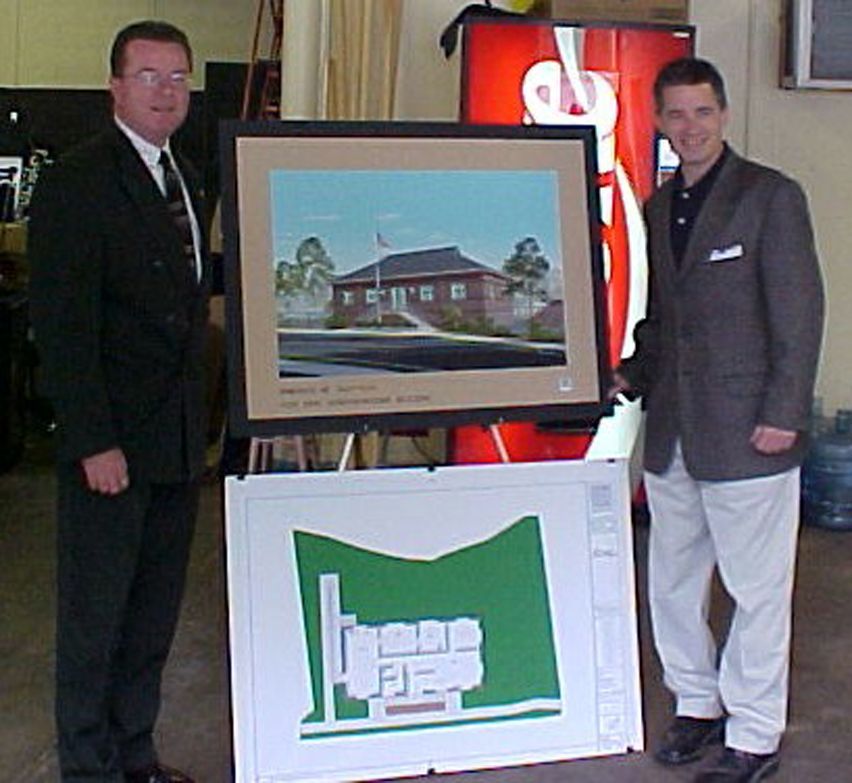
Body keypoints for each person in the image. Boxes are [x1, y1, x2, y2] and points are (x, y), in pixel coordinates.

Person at [613, 58, 824, 782]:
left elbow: (800, 312)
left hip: (750, 430)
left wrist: (785, 411)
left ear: (724, 114)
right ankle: (697, 704)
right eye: (675, 114)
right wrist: (632, 373)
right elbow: (661, 319)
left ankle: (755, 734)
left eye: (702, 111)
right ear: (658, 122)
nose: (690, 127)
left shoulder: (770, 197)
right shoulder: (656, 207)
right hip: (673, 428)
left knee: (756, 589)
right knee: (672, 581)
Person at [29, 20, 208, 783]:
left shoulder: (187, 177)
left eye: (178, 77)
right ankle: (88, 766)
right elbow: (62, 324)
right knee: (96, 619)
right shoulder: (79, 180)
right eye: (149, 76)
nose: (166, 91)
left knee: (150, 617)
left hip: (176, 442)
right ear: (115, 87)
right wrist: (91, 439)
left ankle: (135, 754)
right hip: (112, 446)